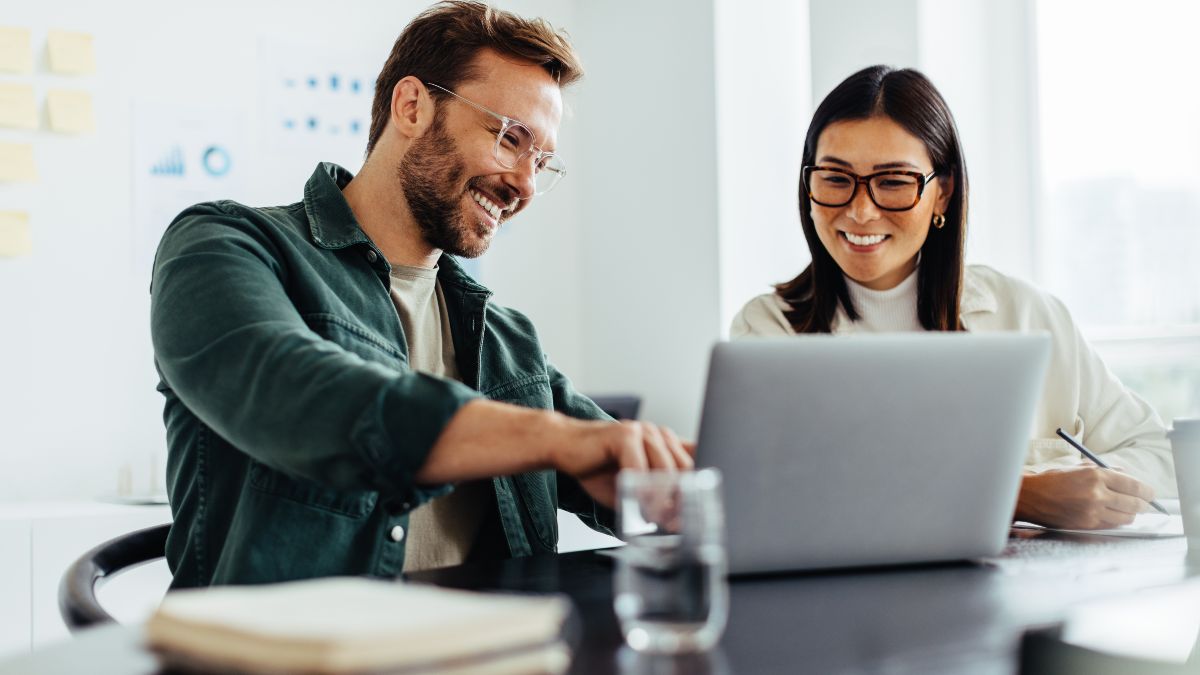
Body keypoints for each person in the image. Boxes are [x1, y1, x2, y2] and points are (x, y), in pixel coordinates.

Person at [150, 1, 692, 589]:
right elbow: (297, 390)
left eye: (542, 161)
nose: (525, 185)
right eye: (511, 139)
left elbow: (613, 458)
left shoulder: (508, 340)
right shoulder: (225, 244)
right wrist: (558, 439)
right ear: (412, 106)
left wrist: (685, 480)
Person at [731, 65, 1173, 531]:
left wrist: (1085, 489)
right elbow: (776, 495)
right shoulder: (767, 331)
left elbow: (1161, 456)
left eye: (894, 182)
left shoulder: (1026, 314)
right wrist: (1018, 494)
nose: (861, 210)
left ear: (942, 194)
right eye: (836, 179)